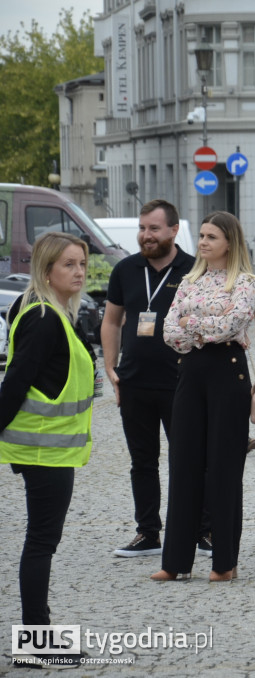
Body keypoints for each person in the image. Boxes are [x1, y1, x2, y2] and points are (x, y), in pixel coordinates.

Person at [152, 212, 255, 582]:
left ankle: (224, 562)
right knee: (183, 464)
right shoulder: (189, 279)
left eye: (211, 236)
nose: (202, 242)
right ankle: (175, 560)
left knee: (224, 467)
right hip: (192, 372)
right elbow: (169, 330)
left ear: (229, 241)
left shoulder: (244, 281)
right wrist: (198, 331)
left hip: (229, 374)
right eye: (200, 235)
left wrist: (191, 325)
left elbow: (234, 323)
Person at [1, 233, 92, 669]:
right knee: (41, 543)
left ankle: (39, 634)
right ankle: (36, 640)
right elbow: (16, 381)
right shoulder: (43, 317)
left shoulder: (44, 310)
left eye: (82, 264)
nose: (78, 272)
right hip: (43, 448)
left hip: (46, 448)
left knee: (41, 541)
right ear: (46, 270)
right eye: (69, 265)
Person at [103, 200, 204, 558]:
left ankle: (199, 530)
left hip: (182, 381)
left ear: (173, 230)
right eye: (143, 228)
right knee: (142, 461)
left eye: (154, 229)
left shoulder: (194, 269)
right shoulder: (126, 270)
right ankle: (148, 532)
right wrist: (111, 369)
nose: (146, 236)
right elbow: (112, 321)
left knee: (189, 459)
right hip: (134, 383)